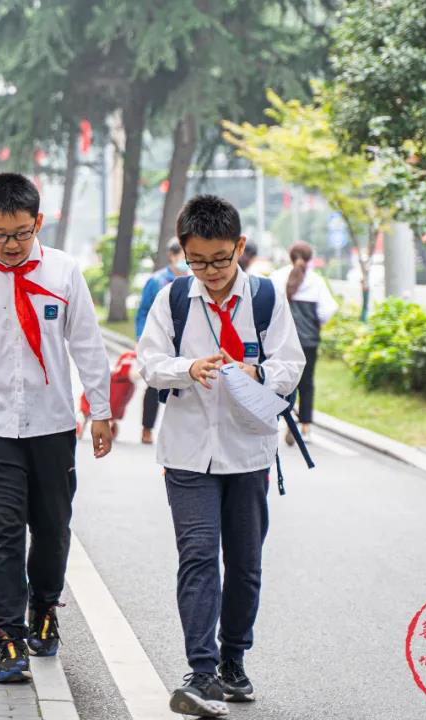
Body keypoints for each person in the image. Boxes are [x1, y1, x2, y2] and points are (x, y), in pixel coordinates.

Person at [0, 173, 113, 684]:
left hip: (53, 424)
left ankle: (44, 606)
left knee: (53, 528)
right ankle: (8, 637)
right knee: (3, 531)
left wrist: (100, 411)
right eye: (0, 235)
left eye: (20, 233)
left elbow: (88, 346)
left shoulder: (64, 272)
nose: (11, 245)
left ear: (38, 222)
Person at [136, 195, 304, 718]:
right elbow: (149, 362)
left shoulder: (266, 298)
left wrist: (257, 373)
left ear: (240, 247)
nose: (209, 272)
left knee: (245, 563)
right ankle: (202, 671)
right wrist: (188, 369)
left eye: (220, 260)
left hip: (248, 452)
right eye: (197, 261)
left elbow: (291, 364)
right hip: (188, 453)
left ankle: (234, 660)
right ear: (183, 253)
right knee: (199, 556)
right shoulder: (174, 298)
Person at [270, 241, 337, 443]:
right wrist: (315, 324)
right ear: (309, 260)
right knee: (306, 383)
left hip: (282, 341)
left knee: (280, 381)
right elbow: (328, 310)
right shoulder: (317, 281)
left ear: (290, 257)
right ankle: (305, 427)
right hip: (308, 341)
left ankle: (285, 419)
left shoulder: (276, 277)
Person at [134, 240, 187, 444]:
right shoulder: (157, 281)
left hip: (183, 340)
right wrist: (141, 338)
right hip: (160, 338)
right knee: (154, 384)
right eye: (182, 254)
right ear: (172, 256)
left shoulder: (193, 280)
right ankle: (147, 428)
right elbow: (143, 311)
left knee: (184, 385)